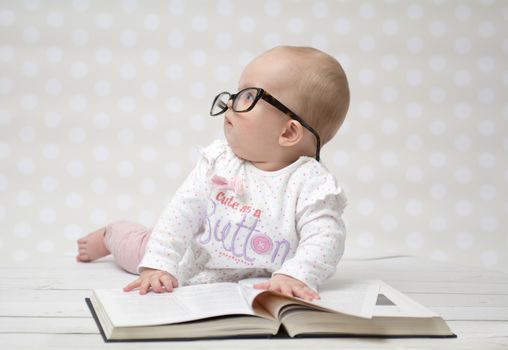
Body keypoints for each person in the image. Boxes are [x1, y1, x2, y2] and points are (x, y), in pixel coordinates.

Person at [76, 45, 350, 301]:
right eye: (236, 93)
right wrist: (159, 263)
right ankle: (110, 235)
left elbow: (325, 238)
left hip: (256, 279)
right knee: (142, 250)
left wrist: (296, 274)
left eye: (248, 96)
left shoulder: (313, 184)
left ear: (288, 132)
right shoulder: (218, 161)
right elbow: (181, 214)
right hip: (193, 258)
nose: (230, 103)